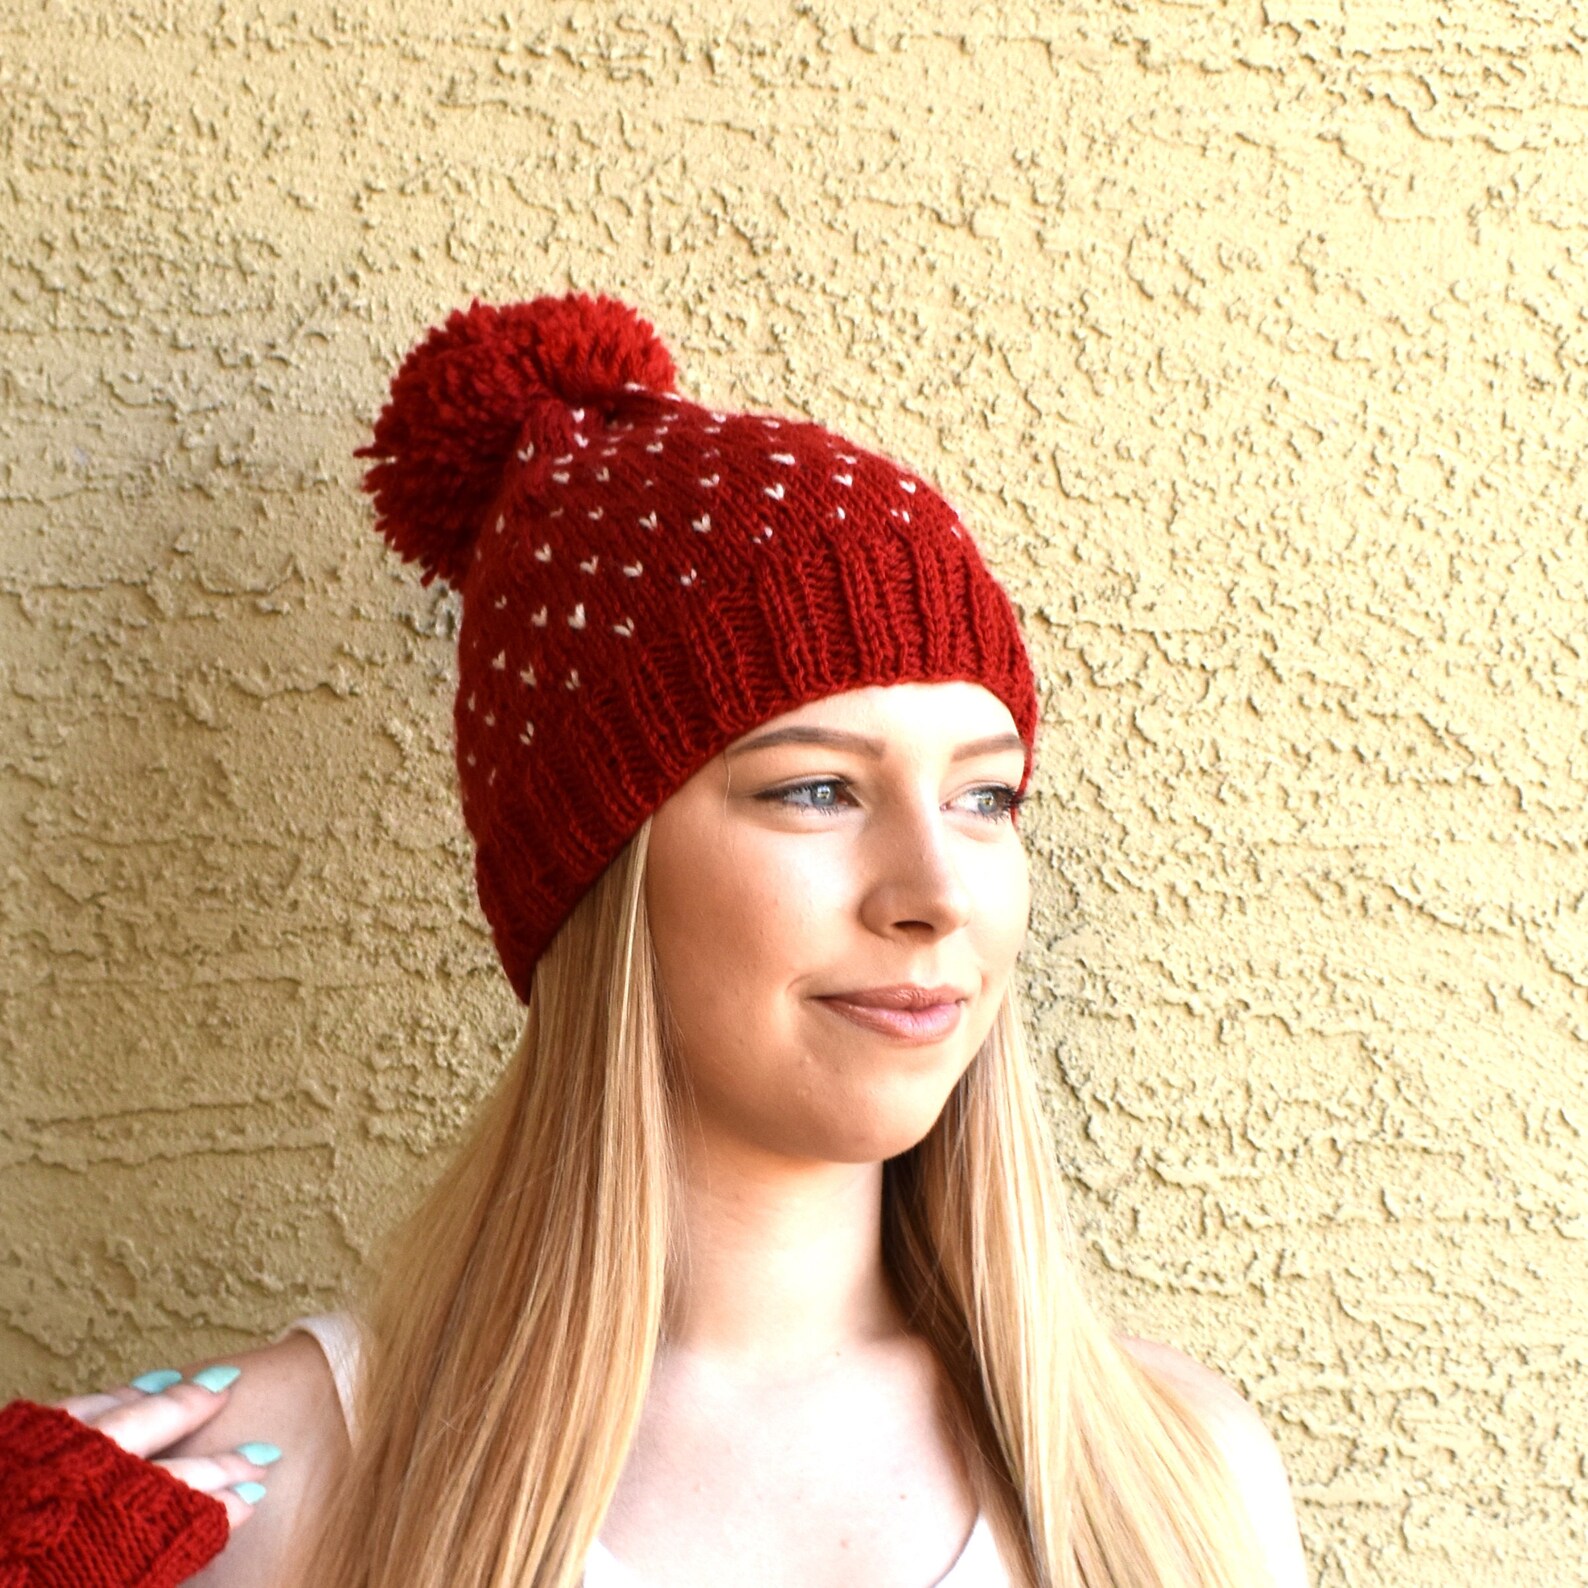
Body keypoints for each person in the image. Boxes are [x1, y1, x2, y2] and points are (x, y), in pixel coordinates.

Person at [2, 293, 1310, 1587]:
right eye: (817, 789)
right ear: (599, 870)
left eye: (985, 796)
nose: (935, 892)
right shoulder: (278, 1484)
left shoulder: (1182, 1478)